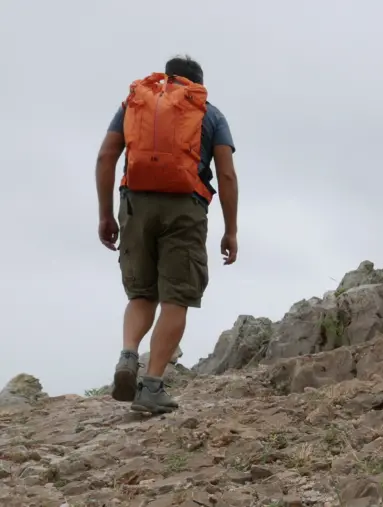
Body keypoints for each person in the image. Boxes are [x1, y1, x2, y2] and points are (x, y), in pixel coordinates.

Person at [94, 55, 239, 413]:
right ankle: (152, 386)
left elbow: (106, 157)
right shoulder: (210, 114)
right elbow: (227, 176)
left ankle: (129, 355)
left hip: (135, 204)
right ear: (197, 84)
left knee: (142, 293)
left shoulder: (135, 103)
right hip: (185, 209)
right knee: (176, 298)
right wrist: (231, 230)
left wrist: (104, 216)